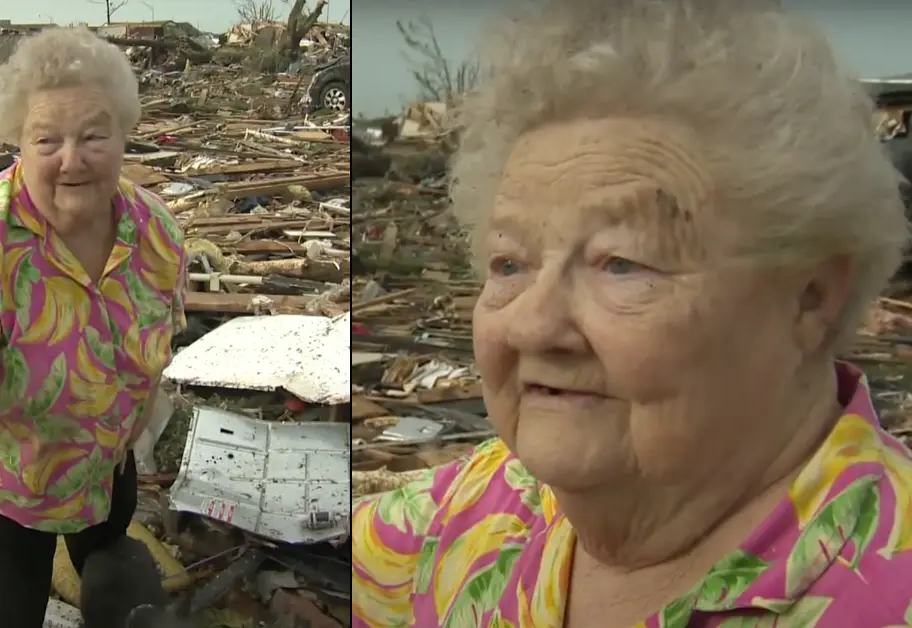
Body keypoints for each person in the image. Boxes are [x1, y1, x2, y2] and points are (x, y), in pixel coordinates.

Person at [352, 2, 912, 627]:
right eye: (509, 264)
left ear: (810, 295)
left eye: (621, 263)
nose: (532, 326)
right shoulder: (485, 509)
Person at [0, 26, 188, 628]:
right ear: (16, 143)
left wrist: (130, 431)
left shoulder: (155, 232)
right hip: (2, 492)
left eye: (94, 136)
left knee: (112, 585)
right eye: (46, 139)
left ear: (124, 134)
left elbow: (157, 346)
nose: (71, 159)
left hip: (105, 471)